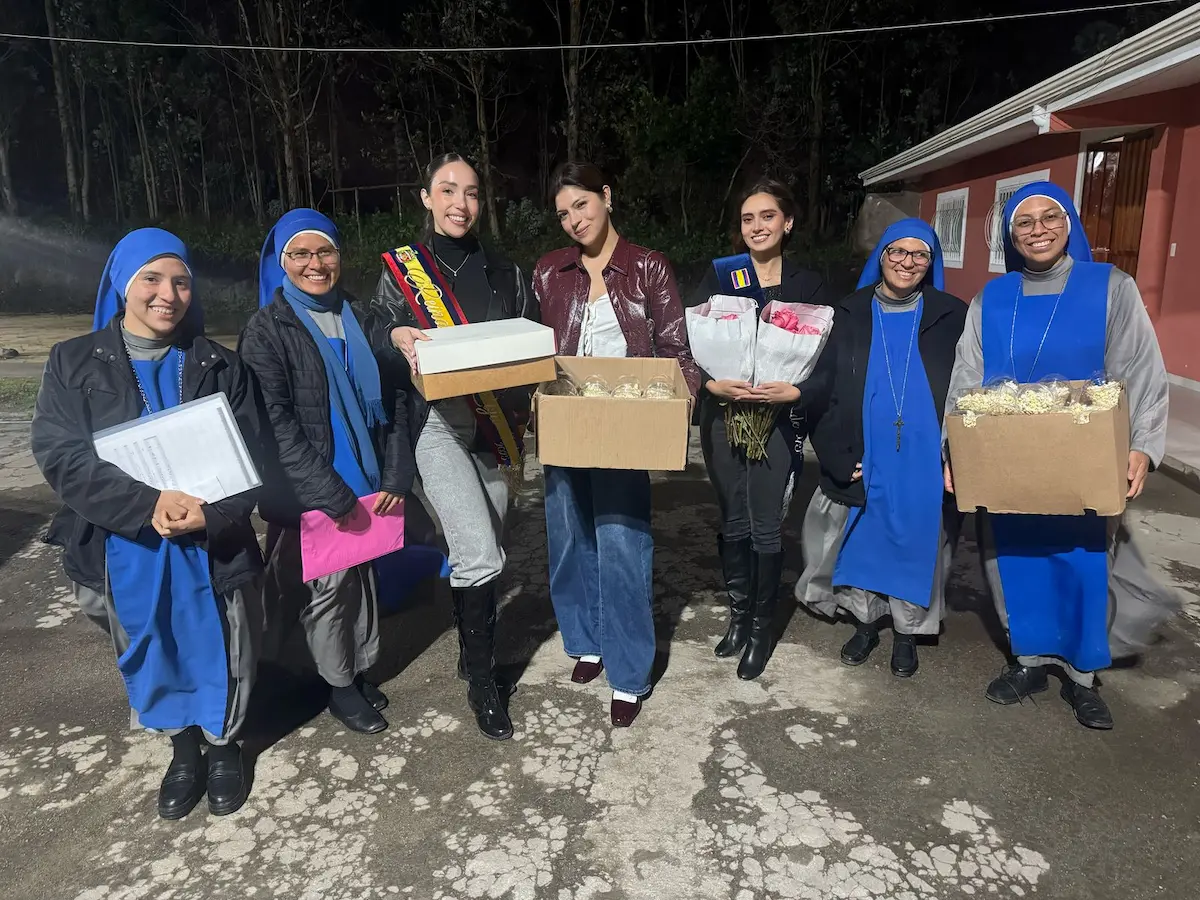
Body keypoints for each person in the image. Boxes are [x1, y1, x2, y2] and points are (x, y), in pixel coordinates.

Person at [31, 229, 264, 820]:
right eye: (152, 279)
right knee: (149, 643)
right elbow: (62, 455)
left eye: (181, 282)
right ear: (121, 284)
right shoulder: (72, 362)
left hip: (211, 540)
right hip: (123, 542)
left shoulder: (221, 365)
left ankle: (224, 746)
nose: (168, 294)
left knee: (228, 642)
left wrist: (212, 513)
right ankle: (183, 747)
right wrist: (145, 505)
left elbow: (254, 457)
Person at [945, 181, 1170, 730]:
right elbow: (965, 376)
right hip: (1006, 456)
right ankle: (1027, 660)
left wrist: (1142, 445)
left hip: (1085, 456)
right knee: (1011, 557)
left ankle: (1082, 675)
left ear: (1069, 224)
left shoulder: (1110, 286)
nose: (1038, 230)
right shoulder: (991, 299)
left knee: (1085, 559)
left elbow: (1141, 369)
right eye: (1024, 222)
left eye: (1050, 217)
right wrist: (956, 451)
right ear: (1011, 235)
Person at [372, 153, 538, 741]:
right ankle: (484, 685)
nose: (459, 203)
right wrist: (394, 333)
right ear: (426, 198)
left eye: (470, 192)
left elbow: (529, 338)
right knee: (479, 553)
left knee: (489, 542)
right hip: (436, 425)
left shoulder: (506, 272)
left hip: (494, 426)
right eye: (447, 190)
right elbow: (377, 334)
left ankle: (472, 651)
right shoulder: (402, 269)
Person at [532, 161, 700, 727]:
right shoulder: (550, 271)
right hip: (566, 418)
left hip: (626, 423)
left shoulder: (647, 266)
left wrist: (676, 409)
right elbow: (538, 351)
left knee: (622, 542)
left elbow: (676, 351)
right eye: (563, 214)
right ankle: (587, 640)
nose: (574, 220)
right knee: (569, 536)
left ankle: (628, 669)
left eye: (581, 204)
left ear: (606, 196)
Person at [239, 209, 411, 736]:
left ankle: (357, 669)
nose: (315, 264)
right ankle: (337, 686)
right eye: (300, 254)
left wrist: (395, 474)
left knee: (364, 581)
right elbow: (276, 426)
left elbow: (395, 401)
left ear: (340, 255)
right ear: (281, 262)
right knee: (329, 592)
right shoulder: (268, 330)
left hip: (369, 481)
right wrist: (329, 493)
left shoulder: (362, 317)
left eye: (325, 252)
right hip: (317, 490)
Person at [793, 219, 966, 677]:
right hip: (866, 451)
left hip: (923, 456)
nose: (907, 262)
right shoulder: (848, 313)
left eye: (920, 254)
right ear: (882, 256)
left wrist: (959, 454)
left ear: (931, 263)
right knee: (864, 536)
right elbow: (822, 389)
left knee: (915, 540)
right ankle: (866, 623)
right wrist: (834, 451)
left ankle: (907, 632)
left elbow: (968, 387)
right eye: (898, 251)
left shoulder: (952, 315)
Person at [688, 178, 834, 680]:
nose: (757, 226)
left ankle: (759, 631)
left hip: (777, 420)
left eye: (768, 216)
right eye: (748, 218)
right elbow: (689, 342)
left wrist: (797, 392)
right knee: (732, 519)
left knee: (766, 523)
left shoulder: (809, 285)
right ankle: (737, 617)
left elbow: (828, 360)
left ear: (787, 222)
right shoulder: (720, 275)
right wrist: (710, 384)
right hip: (724, 416)